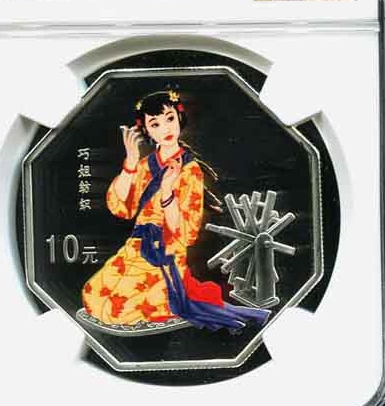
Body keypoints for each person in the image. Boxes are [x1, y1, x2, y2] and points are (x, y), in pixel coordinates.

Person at [80, 87, 269, 333]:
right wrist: (130, 163)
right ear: (147, 130)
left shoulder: (190, 170)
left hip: (167, 252)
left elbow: (186, 232)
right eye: (155, 124)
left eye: (169, 119)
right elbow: (122, 208)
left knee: (117, 310)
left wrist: (168, 191)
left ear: (179, 118)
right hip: (137, 246)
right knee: (93, 296)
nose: (165, 129)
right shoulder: (145, 165)